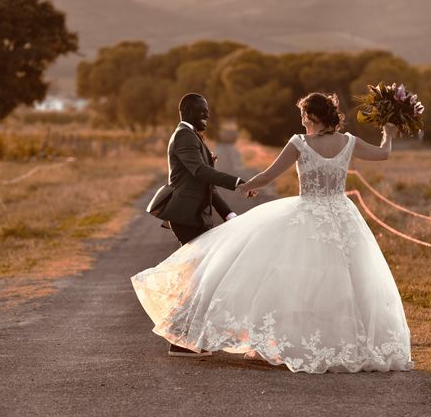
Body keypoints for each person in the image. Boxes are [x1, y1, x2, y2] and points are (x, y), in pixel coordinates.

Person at [132, 92, 413, 373]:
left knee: (297, 277)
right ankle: (351, 342)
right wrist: (388, 132)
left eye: (303, 115)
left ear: (311, 117)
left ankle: (296, 340)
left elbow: (268, 176)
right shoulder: (349, 142)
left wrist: (245, 185)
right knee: (347, 278)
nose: (301, 120)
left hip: (308, 214)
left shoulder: (299, 143)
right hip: (343, 215)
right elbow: (384, 153)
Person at [153, 93, 253, 357]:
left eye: (207, 111)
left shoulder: (192, 136)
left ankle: (184, 338)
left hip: (196, 215)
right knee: (199, 277)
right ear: (186, 111)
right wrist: (237, 182)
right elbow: (199, 172)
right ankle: (179, 340)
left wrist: (228, 214)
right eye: (201, 111)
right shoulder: (184, 136)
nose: (206, 116)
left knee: (200, 277)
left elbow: (203, 184)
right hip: (187, 216)